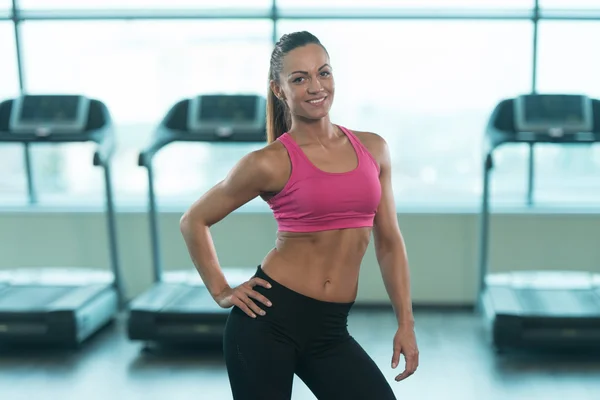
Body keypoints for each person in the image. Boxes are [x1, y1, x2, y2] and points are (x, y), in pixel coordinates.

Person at [180, 31, 419, 400]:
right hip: (266, 324)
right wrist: (222, 291)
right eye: (299, 78)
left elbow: (388, 241)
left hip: (329, 330)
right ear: (279, 90)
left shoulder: (374, 149)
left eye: (323, 73)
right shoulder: (268, 162)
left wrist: (406, 322)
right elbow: (194, 220)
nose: (315, 86)